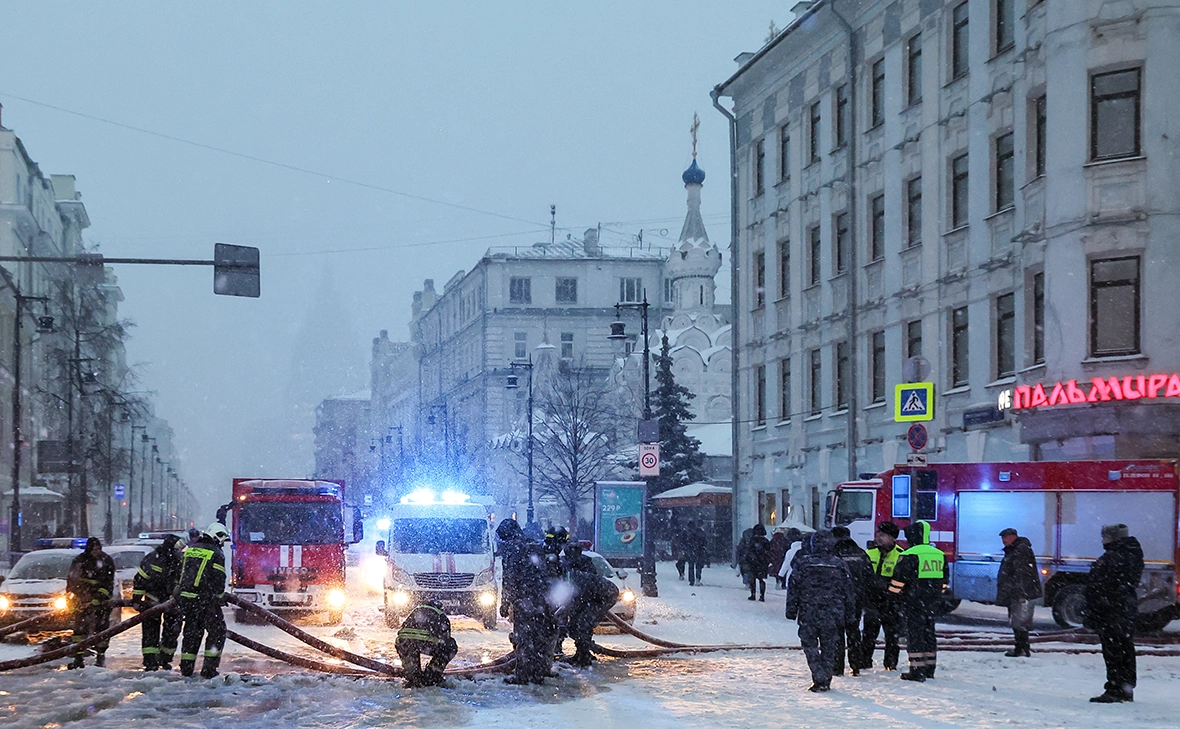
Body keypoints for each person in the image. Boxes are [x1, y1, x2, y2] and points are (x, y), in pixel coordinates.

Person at [785, 530, 857, 692]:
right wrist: (850, 613)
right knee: (829, 647)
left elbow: (793, 588)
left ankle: (818, 674)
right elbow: (849, 592)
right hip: (833, 613)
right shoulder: (839, 564)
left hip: (808, 612)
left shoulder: (803, 563)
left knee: (809, 645)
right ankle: (826, 678)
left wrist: (791, 610)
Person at [1084, 523, 1144, 703]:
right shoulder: (1131, 553)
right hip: (1122, 609)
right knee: (1125, 648)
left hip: (1112, 610)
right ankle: (1125, 687)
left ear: (1113, 537)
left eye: (1105, 536)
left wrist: (1097, 605)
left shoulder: (1114, 556)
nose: (1102, 540)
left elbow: (1103, 584)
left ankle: (1115, 688)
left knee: (1113, 651)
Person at [498, 519, 554, 685]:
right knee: (539, 637)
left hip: (524, 599)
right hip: (542, 599)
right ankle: (538, 673)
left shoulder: (513, 548)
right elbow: (547, 571)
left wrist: (505, 603)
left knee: (524, 638)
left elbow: (509, 579)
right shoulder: (535, 545)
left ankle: (522, 676)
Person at [888, 520, 946, 682]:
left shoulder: (910, 554)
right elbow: (944, 582)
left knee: (915, 635)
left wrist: (892, 597)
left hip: (913, 602)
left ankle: (916, 670)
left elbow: (898, 581)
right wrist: (935, 594)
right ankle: (929, 668)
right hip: (931, 602)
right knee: (929, 634)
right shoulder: (939, 554)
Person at [176, 522, 230, 679]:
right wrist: (220, 597)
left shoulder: (190, 549)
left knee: (192, 633)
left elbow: (180, 572)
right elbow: (219, 579)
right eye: (222, 539)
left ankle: (186, 669)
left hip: (187, 600)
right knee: (218, 631)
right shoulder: (216, 553)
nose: (222, 543)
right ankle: (209, 669)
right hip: (205, 600)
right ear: (216, 536)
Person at [560, 543, 619, 667]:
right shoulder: (566, 567)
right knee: (574, 625)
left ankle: (584, 656)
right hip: (590, 596)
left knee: (582, 624)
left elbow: (578, 597)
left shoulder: (576, 574)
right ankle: (583, 653)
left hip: (604, 596)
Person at [133, 533, 185, 671]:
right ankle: (150, 661)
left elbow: (183, 581)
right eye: (177, 550)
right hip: (153, 599)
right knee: (151, 631)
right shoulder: (152, 559)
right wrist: (137, 599)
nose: (179, 552)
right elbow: (140, 579)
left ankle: (165, 658)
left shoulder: (180, 562)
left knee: (172, 631)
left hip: (172, 601)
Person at [66, 537, 116, 669]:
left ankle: (100, 656)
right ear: (88, 549)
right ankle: (78, 657)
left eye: (98, 549)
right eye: (94, 549)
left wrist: (99, 597)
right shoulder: (79, 561)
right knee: (79, 629)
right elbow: (72, 580)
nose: (96, 552)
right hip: (82, 599)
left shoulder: (106, 560)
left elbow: (108, 583)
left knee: (102, 628)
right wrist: (76, 596)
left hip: (101, 601)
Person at [995, 527, 1042, 658]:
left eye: (1005, 537)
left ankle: (1021, 649)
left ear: (1013, 537)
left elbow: (1022, 574)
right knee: (1019, 622)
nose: (1003, 540)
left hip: (1019, 593)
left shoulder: (1020, 551)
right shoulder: (1016, 550)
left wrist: (1022, 594)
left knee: (1020, 622)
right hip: (1015, 592)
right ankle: (1022, 648)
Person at [831, 525, 872, 675]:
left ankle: (837, 666)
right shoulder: (861, 553)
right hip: (856, 598)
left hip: (838, 598)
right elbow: (869, 576)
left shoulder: (833, 553)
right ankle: (856, 664)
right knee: (854, 631)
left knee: (837, 632)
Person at [861, 522, 902, 671]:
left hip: (891, 602)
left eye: (883, 535)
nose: (878, 537)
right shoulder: (869, 553)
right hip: (872, 601)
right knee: (869, 634)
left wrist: (892, 595)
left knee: (892, 636)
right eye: (878, 534)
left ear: (892, 538)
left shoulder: (901, 555)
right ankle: (865, 661)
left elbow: (902, 580)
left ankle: (890, 663)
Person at [395, 599, 458, 688]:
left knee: (410, 649)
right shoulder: (441, 615)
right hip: (424, 643)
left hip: (404, 642)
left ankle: (413, 674)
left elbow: (405, 631)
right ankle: (432, 674)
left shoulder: (415, 612)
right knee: (451, 646)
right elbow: (445, 639)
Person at [743, 524, 771, 601]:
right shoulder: (766, 541)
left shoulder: (752, 540)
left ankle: (753, 594)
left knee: (752, 579)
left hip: (753, 562)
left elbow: (749, 551)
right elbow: (769, 552)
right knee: (762, 580)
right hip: (763, 563)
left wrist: (748, 559)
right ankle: (762, 596)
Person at [684, 520, 708, 586]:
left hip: (691, 551)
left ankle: (691, 580)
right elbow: (705, 542)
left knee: (691, 566)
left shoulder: (689, 533)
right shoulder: (701, 533)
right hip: (699, 551)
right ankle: (698, 579)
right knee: (698, 566)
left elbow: (687, 542)